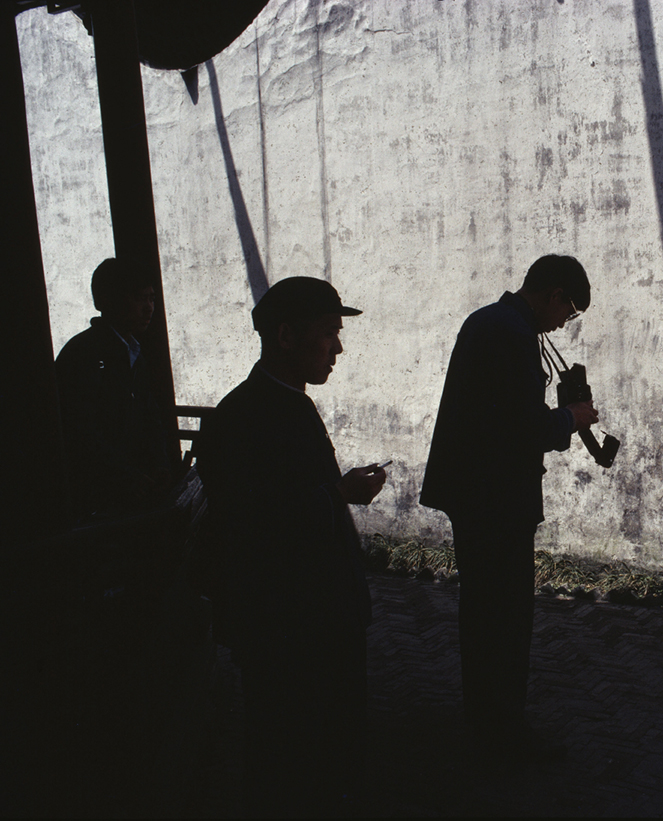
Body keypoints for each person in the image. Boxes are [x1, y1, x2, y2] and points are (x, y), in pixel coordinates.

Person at [196, 277, 387, 815]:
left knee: (322, 749)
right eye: (329, 334)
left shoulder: (286, 404)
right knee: (289, 756)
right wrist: (338, 495)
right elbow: (255, 525)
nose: (339, 349)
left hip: (319, 620)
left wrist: (336, 494)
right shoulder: (243, 417)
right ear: (285, 335)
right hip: (290, 625)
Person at [420, 254, 599, 758]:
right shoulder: (510, 334)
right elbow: (518, 428)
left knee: (486, 612)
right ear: (553, 294)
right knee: (503, 617)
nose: (564, 322)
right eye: (568, 311)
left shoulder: (494, 323)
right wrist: (571, 417)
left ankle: (489, 722)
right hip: (494, 499)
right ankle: (500, 731)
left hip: (481, 495)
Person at [55, 258, 175, 521]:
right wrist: (127, 476)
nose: (149, 308)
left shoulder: (134, 353)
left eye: (152, 298)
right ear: (106, 301)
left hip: (135, 484)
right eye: (139, 298)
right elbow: (80, 432)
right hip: (99, 496)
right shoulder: (82, 354)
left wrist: (160, 465)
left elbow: (150, 418)